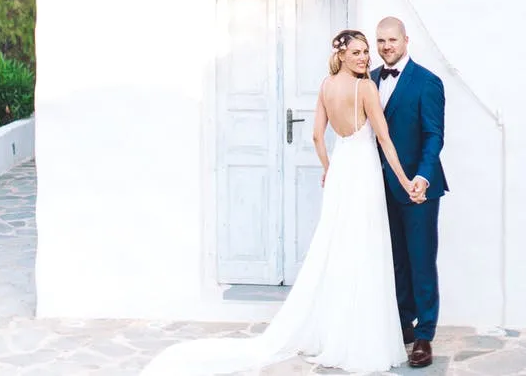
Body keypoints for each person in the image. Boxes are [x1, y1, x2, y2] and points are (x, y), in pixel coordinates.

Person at [139, 29, 415, 375]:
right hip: (362, 170)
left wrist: (329, 168)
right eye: (357, 52)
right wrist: (405, 181)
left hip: (343, 168)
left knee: (337, 247)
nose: (364, 58)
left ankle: (336, 332)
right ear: (342, 55)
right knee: (363, 247)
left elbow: (317, 135)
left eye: (365, 52)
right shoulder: (367, 88)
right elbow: (385, 139)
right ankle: (358, 338)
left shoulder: (326, 87)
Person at [373, 17, 448, 369]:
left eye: (392, 40)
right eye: (380, 41)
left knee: (420, 259)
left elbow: (434, 135)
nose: (386, 46)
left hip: (418, 189)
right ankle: (403, 323)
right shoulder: (369, 79)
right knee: (394, 260)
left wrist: (423, 177)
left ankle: (425, 334)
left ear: (405, 40)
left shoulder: (427, 82)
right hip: (377, 187)